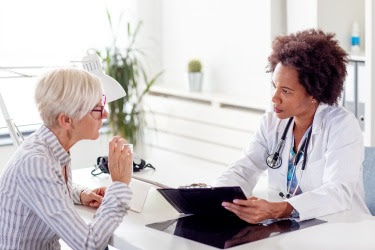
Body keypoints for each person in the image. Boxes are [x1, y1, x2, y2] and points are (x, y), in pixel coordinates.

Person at [216, 29, 370, 223]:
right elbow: (244, 168)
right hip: (292, 228)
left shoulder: (342, 125)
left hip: (339, 227)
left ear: (314, 93)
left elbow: (338, 192)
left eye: (286, 91)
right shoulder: (271, 123)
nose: (274, 98)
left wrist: (282, 209)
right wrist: (216, 198)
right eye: (275, 86)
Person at [0, 68, 133, 249]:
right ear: (67, 120)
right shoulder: (35, 162)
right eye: (97, 108)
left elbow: (46, 189)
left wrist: (79, 194)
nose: (105, 114)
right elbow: (89, 244)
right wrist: (120, 184)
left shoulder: (51, 147)